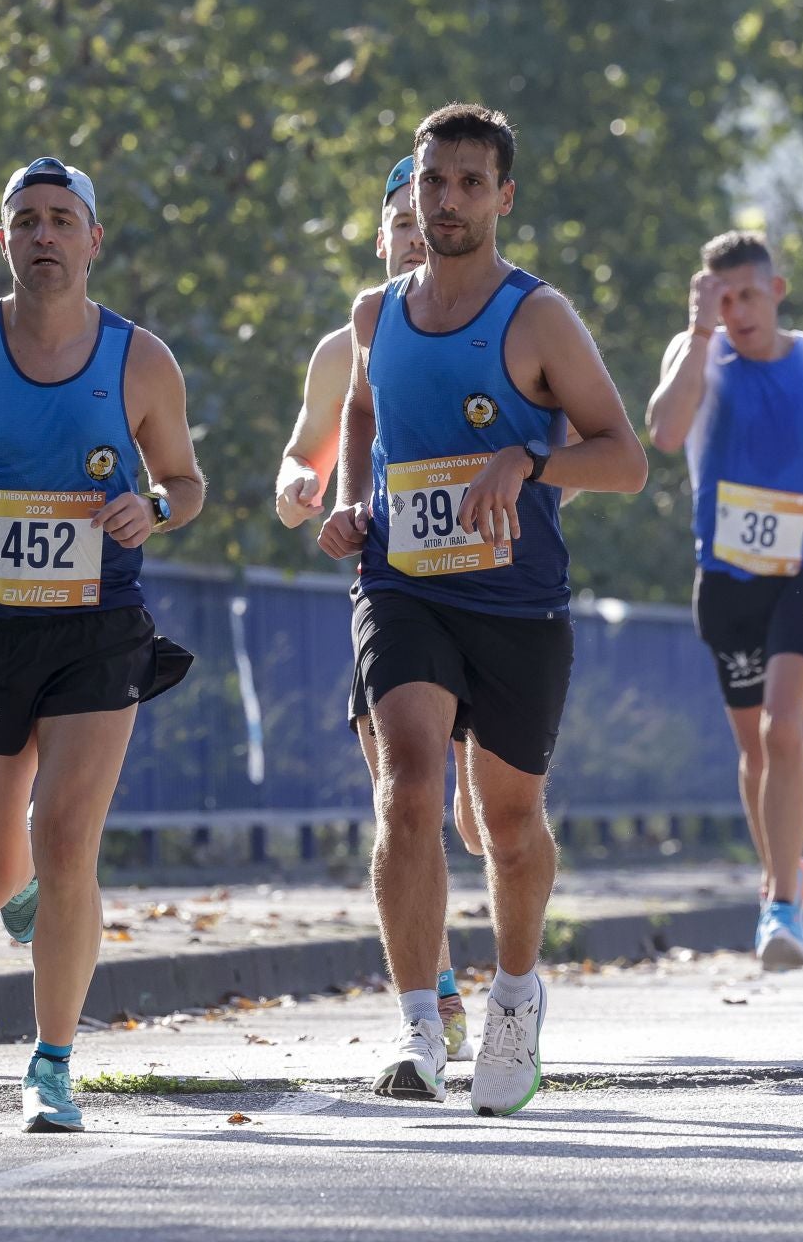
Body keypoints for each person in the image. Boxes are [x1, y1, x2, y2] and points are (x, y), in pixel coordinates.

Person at [318, 104, 648, 1116]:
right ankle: (419, 1021)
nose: (449, 200)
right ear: (411, 192)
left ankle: (514, 1000)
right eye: (433, 183)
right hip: (403, 582)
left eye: (470, 183)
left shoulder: (537, 315)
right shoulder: (378, 314)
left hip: (516, 598)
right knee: (409, 782)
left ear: (503, 197)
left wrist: (530, 458)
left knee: (507, 823)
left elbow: (625, 460)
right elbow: (363, 406)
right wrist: (349, 496)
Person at [0, 157, 202, 1132]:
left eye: (63, 219)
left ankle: (52, 1062)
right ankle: (28, 906)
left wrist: (157, 508)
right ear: (4, 239)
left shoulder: (141, 358)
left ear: (93, 239)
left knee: (65, 839)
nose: (45, 235)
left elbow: (186, 480)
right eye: (28, 220)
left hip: (99, 628)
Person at [276, 154, 477, 1060]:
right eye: (397, 222)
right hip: (390, 593)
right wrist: (299, 489)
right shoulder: (349, 338)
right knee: (405, 798)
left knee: (473, 820)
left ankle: (488, 979)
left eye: (423, 217)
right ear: (382, 236)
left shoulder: (495, 320)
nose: (412, 234)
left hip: (489, 598)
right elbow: (304, 451)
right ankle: (432, 991)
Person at [644, 231, 803, 972]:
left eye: (748, 294)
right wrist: (698, 334)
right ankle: (788, 869)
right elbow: (666, 434)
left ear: (777, 290)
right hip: (728, 575)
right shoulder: (699, 353)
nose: (737, 310)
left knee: (782, 731)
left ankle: (778, 902)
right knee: (753, 749)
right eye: (723, 297)